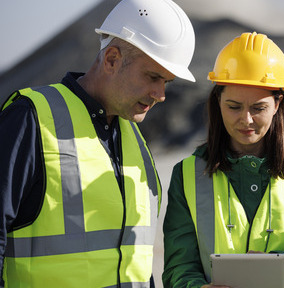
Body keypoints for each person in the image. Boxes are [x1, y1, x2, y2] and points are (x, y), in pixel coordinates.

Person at [0, 0, 195, 287]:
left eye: (166, 81)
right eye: (153, 76)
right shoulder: (31, 118)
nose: (160, 94)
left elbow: (136, 259)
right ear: (112, 59)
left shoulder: (136, 141)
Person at [162, 32, 284, 288]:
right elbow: (178, 268)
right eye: (234, 106)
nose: (246, 120)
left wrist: (278, 266)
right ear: (218, 102)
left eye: (258, 108)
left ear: (277, 103)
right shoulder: (186, 174)